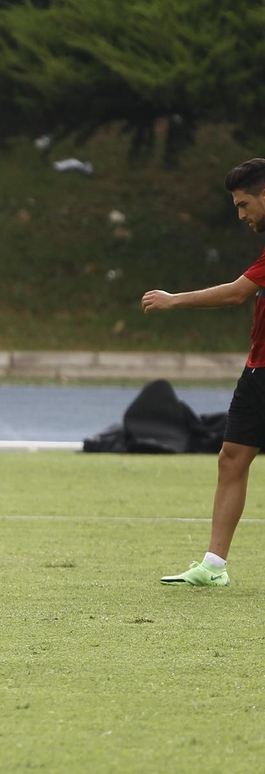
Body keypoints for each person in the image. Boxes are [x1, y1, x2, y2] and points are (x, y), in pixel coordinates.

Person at [143, 157, 265, 587]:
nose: (241, 215)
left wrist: (173, 300)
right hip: (258, 371)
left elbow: (236, 293)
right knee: (232, 458)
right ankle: (214, 566)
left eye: (245, 204)